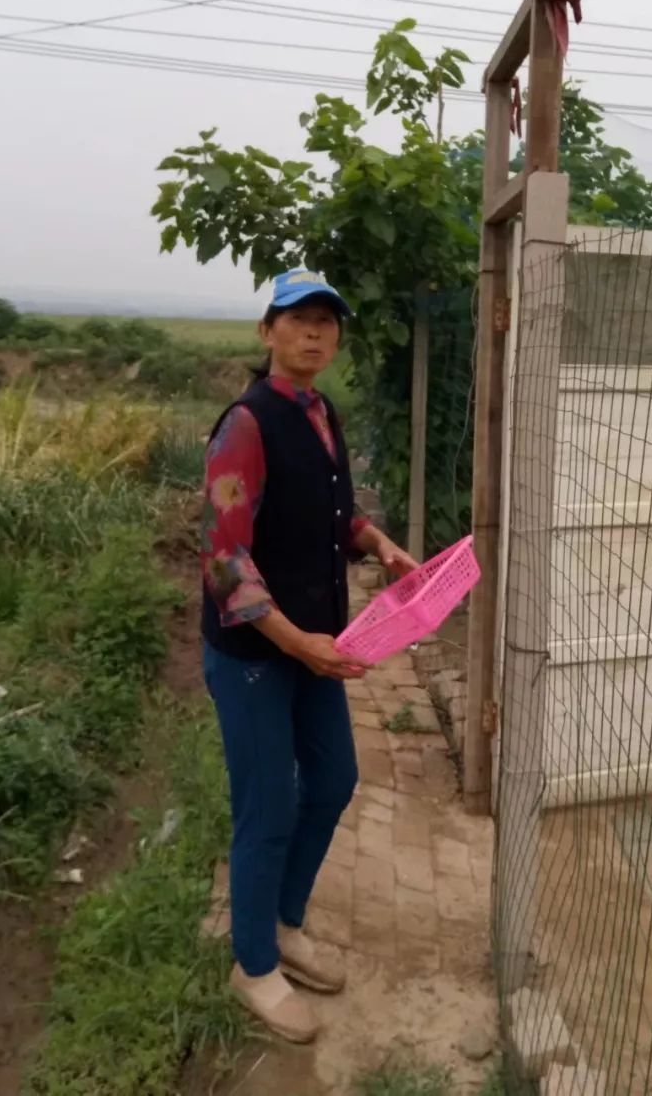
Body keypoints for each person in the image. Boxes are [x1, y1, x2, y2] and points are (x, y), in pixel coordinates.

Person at [201, 267, 416, 1043]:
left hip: (318, 646)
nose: (315, 332)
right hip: (257, 651)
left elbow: (332, 507)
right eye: (298, 318)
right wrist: (297, 642)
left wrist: (378, 541)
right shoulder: (247, 424)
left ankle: (286, 923)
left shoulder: (323, 411)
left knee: (332, 779)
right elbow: (225, 563)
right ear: (268, 331)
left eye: (328, 320)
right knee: (269, 806)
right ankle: (252, 963)